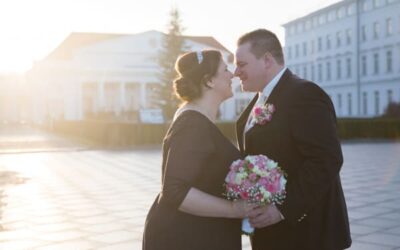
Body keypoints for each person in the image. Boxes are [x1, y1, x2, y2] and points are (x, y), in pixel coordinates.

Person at [234, 29, 352, 250]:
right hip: (272, 235)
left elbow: (326, 159)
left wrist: (282, 209)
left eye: (242, 64)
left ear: (267, 60)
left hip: (307, 235)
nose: (235, 72)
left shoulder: (304, 94)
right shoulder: (257, 101)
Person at [142, 50, 251, 250]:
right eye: (225, 69)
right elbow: (175, 191)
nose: (233, 74)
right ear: (209, 81)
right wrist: (235, 209)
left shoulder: (196, 118)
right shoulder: (192, 124)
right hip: (185, 236)